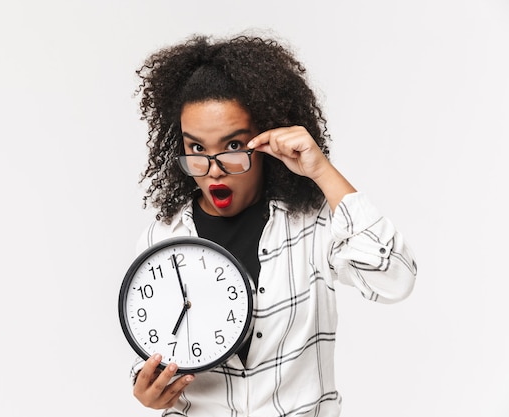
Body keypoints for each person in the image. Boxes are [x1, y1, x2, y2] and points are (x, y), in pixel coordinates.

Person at [128, 33, 417, 417]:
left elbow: (395, 278)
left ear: (265, 139)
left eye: (233, 146)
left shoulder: (311, 223)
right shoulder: (163, 238)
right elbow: (156, 342)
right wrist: (148, 388)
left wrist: (322, 171)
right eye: (196, 148)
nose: (213, 171)